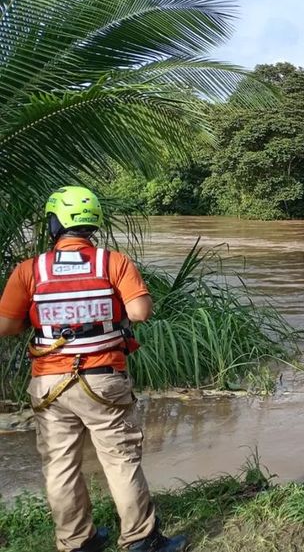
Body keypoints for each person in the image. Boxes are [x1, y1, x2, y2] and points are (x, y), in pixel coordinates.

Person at [0, 187, 188, 552]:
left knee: (60, 464)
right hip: (103, 379)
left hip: (49, 383)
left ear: (55, 224)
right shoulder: (112, 262)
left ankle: (76, 542)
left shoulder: (30, 270)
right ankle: (140, 539)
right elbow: (140, 313)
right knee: (120, 460)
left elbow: (6, 326)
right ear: (93, 223)